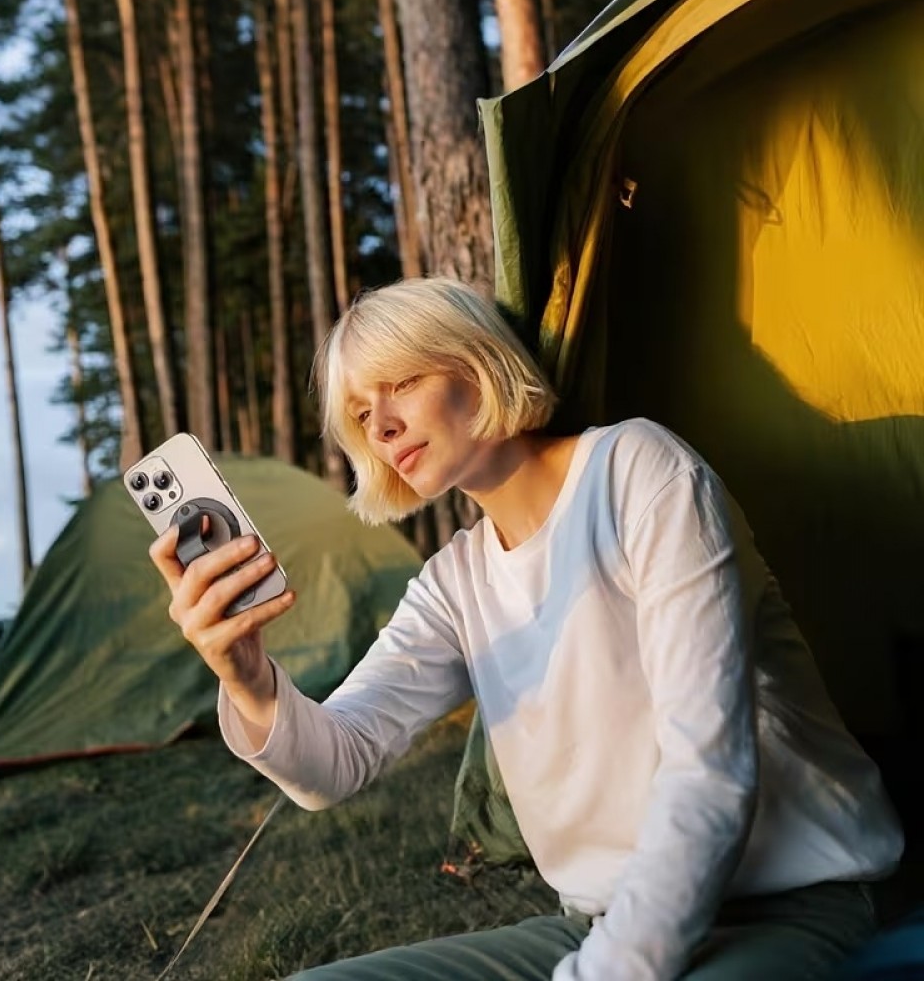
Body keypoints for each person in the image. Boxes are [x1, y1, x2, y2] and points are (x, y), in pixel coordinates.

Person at [149, 277, 904, 980]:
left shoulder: (638, 470)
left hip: (788, 902)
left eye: (402, 382)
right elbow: (338, 761)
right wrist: (245, 676)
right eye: (359, 413)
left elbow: (709, 769)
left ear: (476, 366)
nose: (379, 424)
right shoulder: (455, 581)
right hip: (597, 926)